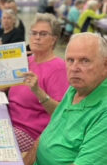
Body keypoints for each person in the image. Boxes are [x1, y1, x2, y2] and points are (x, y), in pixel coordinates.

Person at [24, 33, 107, 165]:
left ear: (105, 65)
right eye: (70, 60)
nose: (75, 68)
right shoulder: (76, 89)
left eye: (85, 61)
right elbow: (46, 135)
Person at [8, 13, 69, 152]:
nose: (37, 37)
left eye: (43, 34)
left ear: (54, 40)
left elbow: (61, 114)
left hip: (30, 134)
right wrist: (0, 83)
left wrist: (38, 91)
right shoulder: (26, 61)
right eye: (34, 33)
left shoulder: (59, 68)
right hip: (8, 121)